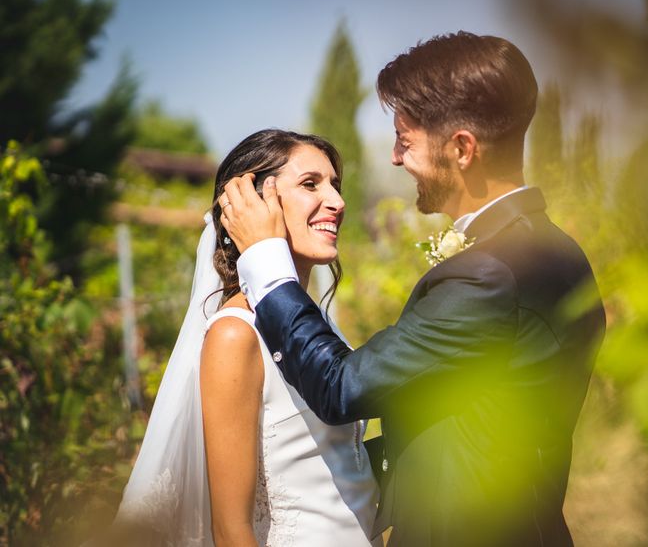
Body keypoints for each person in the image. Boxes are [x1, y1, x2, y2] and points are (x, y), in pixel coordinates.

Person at [220, 32, 606, 547]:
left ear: (462, 148)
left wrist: (265, 258)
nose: (397, 158)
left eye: (405, 140)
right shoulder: (553, 249)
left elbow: (341, 387)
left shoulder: (489, 272)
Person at [110, 130, 379, 546]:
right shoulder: (236, 335)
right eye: (311, 184)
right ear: (252, 205)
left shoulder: (315, 323)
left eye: (335, 185)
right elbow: (231, 529)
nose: (338, 202)